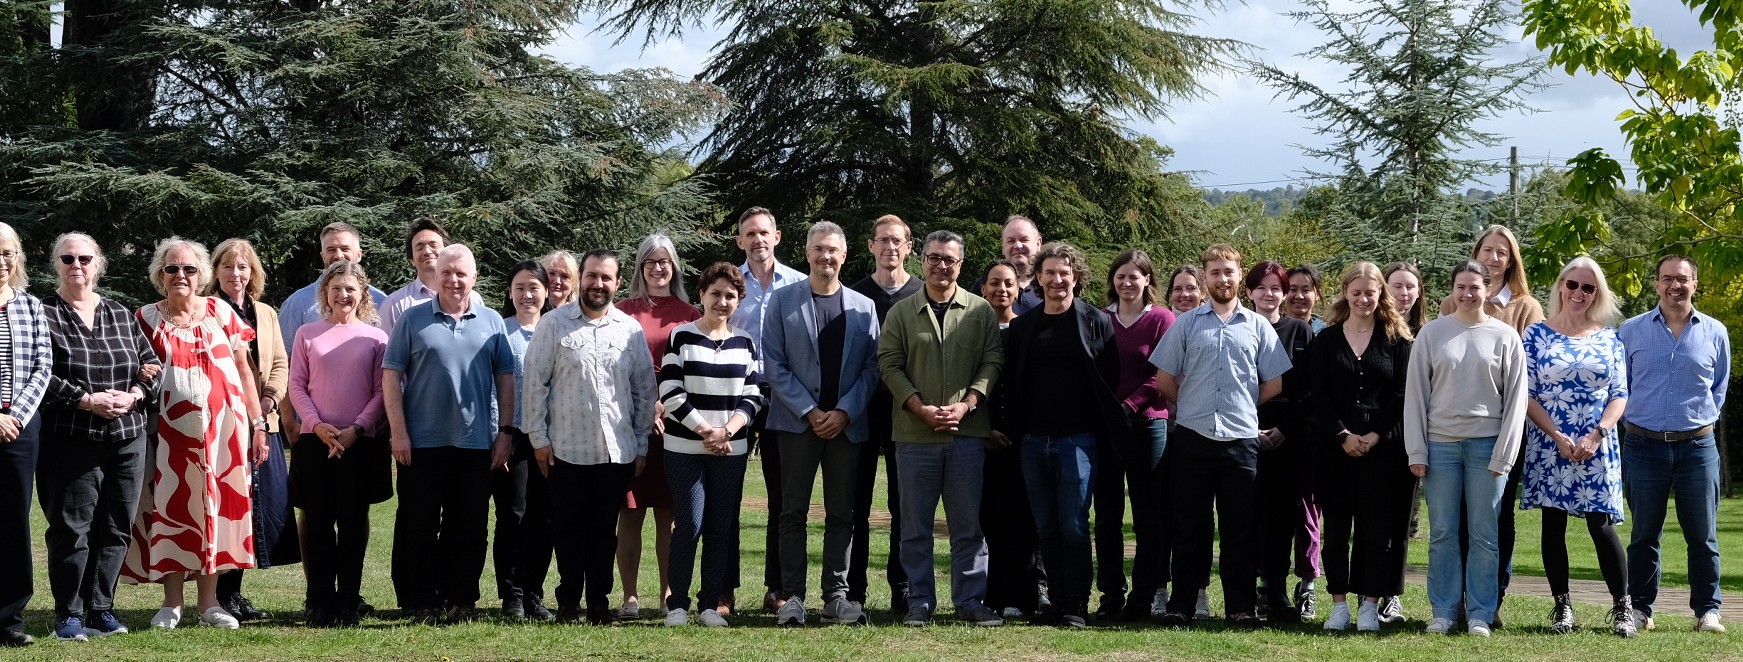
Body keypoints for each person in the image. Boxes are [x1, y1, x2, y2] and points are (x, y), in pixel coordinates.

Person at [126, 237, 270, 631]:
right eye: (172, 268)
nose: (181, 275)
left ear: (201, 274)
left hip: (224, 434)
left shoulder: (221, 311)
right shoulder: (144, 318)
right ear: (160, 274)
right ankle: (172, 603)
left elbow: (244, 371)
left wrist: (259, 423)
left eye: (189, 269)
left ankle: (210, 603)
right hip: (166, 438)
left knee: (216, 511)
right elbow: (136, 371)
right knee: (171, 511)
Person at [1150, 244, 1291, 629]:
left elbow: (1274, 383)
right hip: (1192, 437)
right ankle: (1181, 605)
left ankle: (1240, 608)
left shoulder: (1258, 326)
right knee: (1189, 527)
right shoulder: (1186, 325)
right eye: (1215, 272)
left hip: (1241, 441)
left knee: (1240, 529)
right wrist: (1193, 403)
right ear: (1206, 278)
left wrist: (1241, 403)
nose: (1222, 278)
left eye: (1228, 271)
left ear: (1239, 276)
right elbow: (1164, 379)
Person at [383, 244, 516, 625]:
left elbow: (506, 380)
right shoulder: (412, 320)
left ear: (474, 277)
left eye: (461, 273)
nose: (454, 280)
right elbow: (390, 375)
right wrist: (398, 432)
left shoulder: (492, 321)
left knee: (470, 528)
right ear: (436, 275)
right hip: (421, 444)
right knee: (421, 527)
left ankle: (462, 601)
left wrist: (505, 433)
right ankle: (424, 602)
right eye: (447, 272)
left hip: (475, 444)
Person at [522, 249, 657, 625]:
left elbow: (644, 391)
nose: (598, 284)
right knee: (567, 530)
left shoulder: (629, 330)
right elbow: (534, 383)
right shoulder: (553, 325)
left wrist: (641, 443)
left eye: (606, 278)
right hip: (564, 449)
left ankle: (599, 603)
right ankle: (568, 603)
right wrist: (538, 439)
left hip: (616, 451)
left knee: (603, 533)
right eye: (592, 276)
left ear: (617, 283)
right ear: (581, 278)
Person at [36, 233, 160, 642]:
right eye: (68, 258)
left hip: (127, 436)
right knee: (72, 528)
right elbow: (38, 373)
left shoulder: (119, 313)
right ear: (56, 264)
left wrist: (136, 393)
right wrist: (85, 400)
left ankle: (101, 608)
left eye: (85, 258)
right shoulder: (43, 313)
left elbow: (152, 364)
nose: (77, 265)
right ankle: (69, 614)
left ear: (98, 264)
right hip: (71, 437)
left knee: (116, 525)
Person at [879, 230, 1005, 628]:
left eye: (949, 259)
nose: (941, 265)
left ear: (960, 265)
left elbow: (992, 362)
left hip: (967, 435)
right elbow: (889, 365)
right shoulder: (901, 312)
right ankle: (919, 601)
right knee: (915, 527)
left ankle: (970, 602)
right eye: (934, 257)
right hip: (914, 436)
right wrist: (919, 407)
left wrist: (967, 405)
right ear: (922, 261)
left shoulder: (980, 311)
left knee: (967, 527)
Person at [762, 222, 880, 627]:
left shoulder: (864, 307)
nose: (825, 256)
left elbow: (872, 368)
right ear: (807, 252)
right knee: (791, 512)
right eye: (818, 249)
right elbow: (774, 364)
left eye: (832, 250)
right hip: (797, 425)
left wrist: (844, 411)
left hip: (846, 427)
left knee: (842, 513)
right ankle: (792, 597)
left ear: (843, 256)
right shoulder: (782, 301)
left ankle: (836, 597)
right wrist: (810, 411)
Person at [1405, 259, 1529, 637]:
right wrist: (1417, 451)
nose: (1467, 293)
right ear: (1452, 289)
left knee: (1484, 536)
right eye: (1461, 287)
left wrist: (1505, 454)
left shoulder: (1505, 337)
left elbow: (1516, 401)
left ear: (1487, 289)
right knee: (1443, 533)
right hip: (1440, 447)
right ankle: (1443, 611)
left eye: (1475, 287)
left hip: (1487, 448)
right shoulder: (1432, 334)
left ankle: (1479, 613)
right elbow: (1416, 395)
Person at [1003, 242, 1125, 628]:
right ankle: (1055, 602)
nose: (1058, 279)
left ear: (1076, 277)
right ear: (1038, 278)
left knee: (1073, 525)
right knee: (1046, 526)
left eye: (1065, 273)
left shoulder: (1096, 321)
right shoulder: (1023, 326)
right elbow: (1013, 382)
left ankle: (1076, 603)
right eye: (1051, 272)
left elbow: (1110, 380)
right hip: (1033, 440)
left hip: (1080, 440)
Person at [1519, 257, 1635, 637]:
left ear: (1596, 293)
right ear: (1560, 286)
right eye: (1573, 284)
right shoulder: (1535, 335)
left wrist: (1597, 434)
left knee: (1601, 526)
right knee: (1552, 526)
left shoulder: (1610, 337)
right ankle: (1563, 608)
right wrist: (1557, 435)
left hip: (1597, 445)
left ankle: (1622, 608)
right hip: (1550, 443)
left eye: (1588, 287)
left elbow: (1619, 394)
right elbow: (1527, 394)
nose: (1579, 293)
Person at [1439, 225, 1543, 629]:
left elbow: (1528, 372)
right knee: (1460, 518)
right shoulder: (1452, 302)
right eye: (1488, 250)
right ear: (1476, 253)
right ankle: (1460, 600)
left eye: (1503, 252)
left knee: (1497, 518)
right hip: (1455, 429)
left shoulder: (1525, 308)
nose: (1494, 258)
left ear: (1512, 260)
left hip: (1505, 429)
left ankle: (1491, 599)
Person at [1619, 254, 1729, 634]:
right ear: (1656, 284)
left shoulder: (1715, 332)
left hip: (1697, 448)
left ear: (1694, 284)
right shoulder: (1631, 331)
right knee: (1643, 535)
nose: (1674, 286)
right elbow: (1621, 387)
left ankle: (1707, 611)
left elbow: (1719, 387)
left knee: (1703, 536)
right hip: (1643, 446)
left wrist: (1699, 421)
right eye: (1667, 278)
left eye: (1682, 279)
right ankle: (1640, 609)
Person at [1309, 262, 1414, 633]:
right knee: (1337, 531)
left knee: (1377, 532)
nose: (1363, 299)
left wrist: (1375, 435)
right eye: (1356, 292)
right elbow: (1318, 394)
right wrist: (1342, 434)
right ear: (1345, 293)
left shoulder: (1397, 340)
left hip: (1381, 450)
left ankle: (1370, 605)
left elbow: (1401, 393)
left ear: (1380, 293)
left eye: (1370, 292)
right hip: (1335, 449)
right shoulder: (1326, 339)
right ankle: (1338, 606)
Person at [658, 263, 765, 627]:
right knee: (689, 524)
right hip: (684, 449)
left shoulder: (745, 342)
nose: (722, 301)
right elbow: (671, 392)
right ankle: (677, 604)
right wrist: (707, 431)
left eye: (730, 296)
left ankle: (708, 605)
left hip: (730, 451)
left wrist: (728, 432)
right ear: (701, 295)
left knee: (720, 527)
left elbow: (753, 396)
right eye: (715, 294)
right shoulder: (681, 336)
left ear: (738, 302)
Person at [287, 260, 391, 627]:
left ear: (362, 293)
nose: (343, 295)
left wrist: (357, 428)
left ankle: (348, 601)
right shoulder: (307, 334)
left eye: (350, 289)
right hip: (315, 443)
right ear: (325, 293)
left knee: (352, 524)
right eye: (336, 289)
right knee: (316, 524)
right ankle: (318, 602)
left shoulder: (377, 338)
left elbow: (382, 392)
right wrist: (317, 426)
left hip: (359, 444)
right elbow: (296, 385)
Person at [205, 238, 299, 623]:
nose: (236, 273)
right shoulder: (207, 310)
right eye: (227, 266)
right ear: (216, 272)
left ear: (253, 272)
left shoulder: (266, 313)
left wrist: (269, 400)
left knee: (257, 509)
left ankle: (234, 593)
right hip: (224, 424)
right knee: (227, 507)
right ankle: (217, 595)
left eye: (242, 266)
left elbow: (280, 363)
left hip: (265, 424)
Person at [726, 206, 806, 614]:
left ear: (777, 237)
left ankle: (777, 588)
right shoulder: (729, 284)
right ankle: (723, 588)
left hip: (782, 397)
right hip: (734, 395)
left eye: (764, 232)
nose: (757, 239)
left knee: (781, 496)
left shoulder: (799, 284)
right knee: (727, 495)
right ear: (740, 240)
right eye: (750, 233)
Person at [614, 234, 695, 619]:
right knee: (630, 513)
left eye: (664, 261)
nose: (658, 268)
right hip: (630, 424)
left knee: (669, 514)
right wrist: (646, 408)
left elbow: (693, 371)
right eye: (650, 261)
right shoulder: (622, 311)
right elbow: (614, 371)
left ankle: (667, 594)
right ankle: (629, 596)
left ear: (674, 266)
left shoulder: (690, 313)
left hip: (677, 426)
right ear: (640, 267)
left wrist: (665, 406)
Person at [1092, 249, 1175, 621]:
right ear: (1113, 280)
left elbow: (1163, 374)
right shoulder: (1099, 318)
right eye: (1121, 276)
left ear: (1147, 280)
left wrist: (1129, 406)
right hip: (1107, 430)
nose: (1127, 283)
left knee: (1148, 517)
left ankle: (1142, 597)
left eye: (1134, 276)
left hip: (1148, 426)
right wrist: (1111, 413)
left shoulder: (1161, 319)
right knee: (1107, 516)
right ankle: (1111, 595)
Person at [846, 214, 924, 613]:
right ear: (870, 245)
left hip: (907, 413)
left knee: (903, 504)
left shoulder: (922, 294)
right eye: (883, 240)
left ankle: (903, 586)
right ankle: (853, 590)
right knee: (856, 504)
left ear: (909, 247)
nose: (890, 247)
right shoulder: (853, 296)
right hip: (861, 412)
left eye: (898, 241)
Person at [1246, 261, 1317, 623]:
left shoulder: (1300, 331)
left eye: (1276, 288)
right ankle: (1247, 594)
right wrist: (1251, 428)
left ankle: (1276, 592)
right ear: (1249, 292)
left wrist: (1284, 429)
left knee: (1281, 520)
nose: (1269, 294)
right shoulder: (1239, 327)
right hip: (1244, 435)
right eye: (1261, 287)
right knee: (1247, 519)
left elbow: (1309, 389)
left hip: (1289, 440)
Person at [979, 260, 1044, 620]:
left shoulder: (1029, 328)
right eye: (994, 283)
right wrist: (985, 429)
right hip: (982, 437)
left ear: (1019, 289)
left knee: (1023, 519)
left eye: (1008, 283)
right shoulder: (973, 327)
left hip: (1022, 438)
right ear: (983, 289)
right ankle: (992, 594)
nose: (1001, 289)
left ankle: (1024, 595)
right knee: (989, 517)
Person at [492, 261, 555, 620]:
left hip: (550, 438)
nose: (527, 295)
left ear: (546, 291)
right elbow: (491, 388)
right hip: (512, 437)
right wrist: (499, 434)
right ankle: (512, 595)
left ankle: (534, 594)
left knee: (543, 517)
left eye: (534, 287)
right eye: (519, 287)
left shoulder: (557, 330)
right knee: (513, 515)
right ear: (510, 292)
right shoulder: (500, 331)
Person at [0, 224, 52, 647]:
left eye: (8, 253)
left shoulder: (32, 306)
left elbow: (42, 367)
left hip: (19, 427)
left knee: (13, 520)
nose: (1, 261)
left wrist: (13, 416)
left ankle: (8, 618)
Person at [1386, 260, 1428, 623]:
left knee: (1401, 522)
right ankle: (1367, 592)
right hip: (1375, 437)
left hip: (1412, 440)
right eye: (1396, 285)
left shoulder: (1428, 334)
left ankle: (1392, 595)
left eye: (1409, 286)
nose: (1403, 293)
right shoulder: (1373, 331)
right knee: (1371, 522)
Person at [278, 221, 388, 350]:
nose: (338, 255)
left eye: (345, 249)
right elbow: (286, 357)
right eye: (331, 250)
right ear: (323, 256)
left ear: (359, 254)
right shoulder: (297, 304)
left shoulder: (381, 301)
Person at [379, 218, 485, 336]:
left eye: (433, 245)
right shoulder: (395, 304)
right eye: (419, 248)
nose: (427, 251)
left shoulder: (473, 299)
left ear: (447, 252)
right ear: (412, 260)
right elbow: (385, 346)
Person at [970, 216, 1043, 315]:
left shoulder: (1049, 285)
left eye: (1024, 240)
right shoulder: (983, 287)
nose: (1017, 246)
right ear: (1003, 247)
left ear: (1038, 243)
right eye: (1011, 241)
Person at [1385, 261, 1428, 334]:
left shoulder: (1426, 332)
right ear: (1385, 289)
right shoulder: (1372, 327)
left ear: (1418, 292)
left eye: (1409, 287)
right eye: (1398, 286)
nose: (1404, 293)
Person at [1286, 264, 1327, 333]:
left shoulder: (1326, 333)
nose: (1299, 296)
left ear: (1317, 294)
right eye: (1293, 289)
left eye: (1306, 290)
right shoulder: (1272, 331)